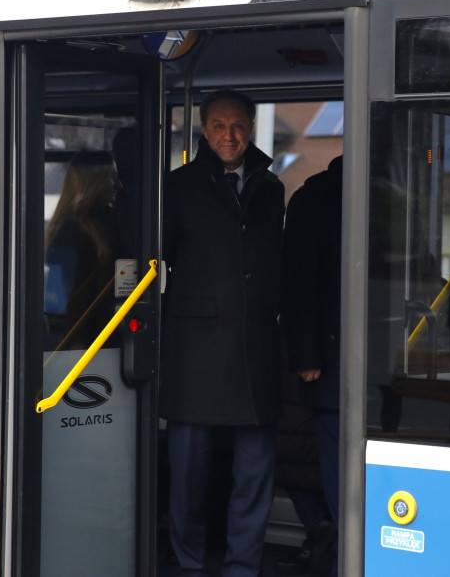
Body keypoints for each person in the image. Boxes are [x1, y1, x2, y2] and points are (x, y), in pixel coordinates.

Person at [161, 89, 285, 576]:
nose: (228, 136)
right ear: (203, 128)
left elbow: (275, 264)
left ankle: (242, 568)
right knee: (188, 475)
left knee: (255, 474)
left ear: (251, 128)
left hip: (255, 347)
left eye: (237, 126)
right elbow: (156, 260)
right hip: (195, 351)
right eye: (218, 126)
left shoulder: (271, 188)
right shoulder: (177, 186)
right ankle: (189, 564)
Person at [280, 154, 342, 568]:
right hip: (328, 362)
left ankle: (336, 546)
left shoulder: (314, 197)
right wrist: (305, 353)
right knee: (330, 461)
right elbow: (296, 280)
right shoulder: (317, 198)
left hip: (335, 358)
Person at [44, 150, 125, 344]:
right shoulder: (76, 230)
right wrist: (76, 342)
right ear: (94, 182)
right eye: (111, 178)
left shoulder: (99, 223)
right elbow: (73, 297)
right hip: (89, 337)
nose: (117, 185)